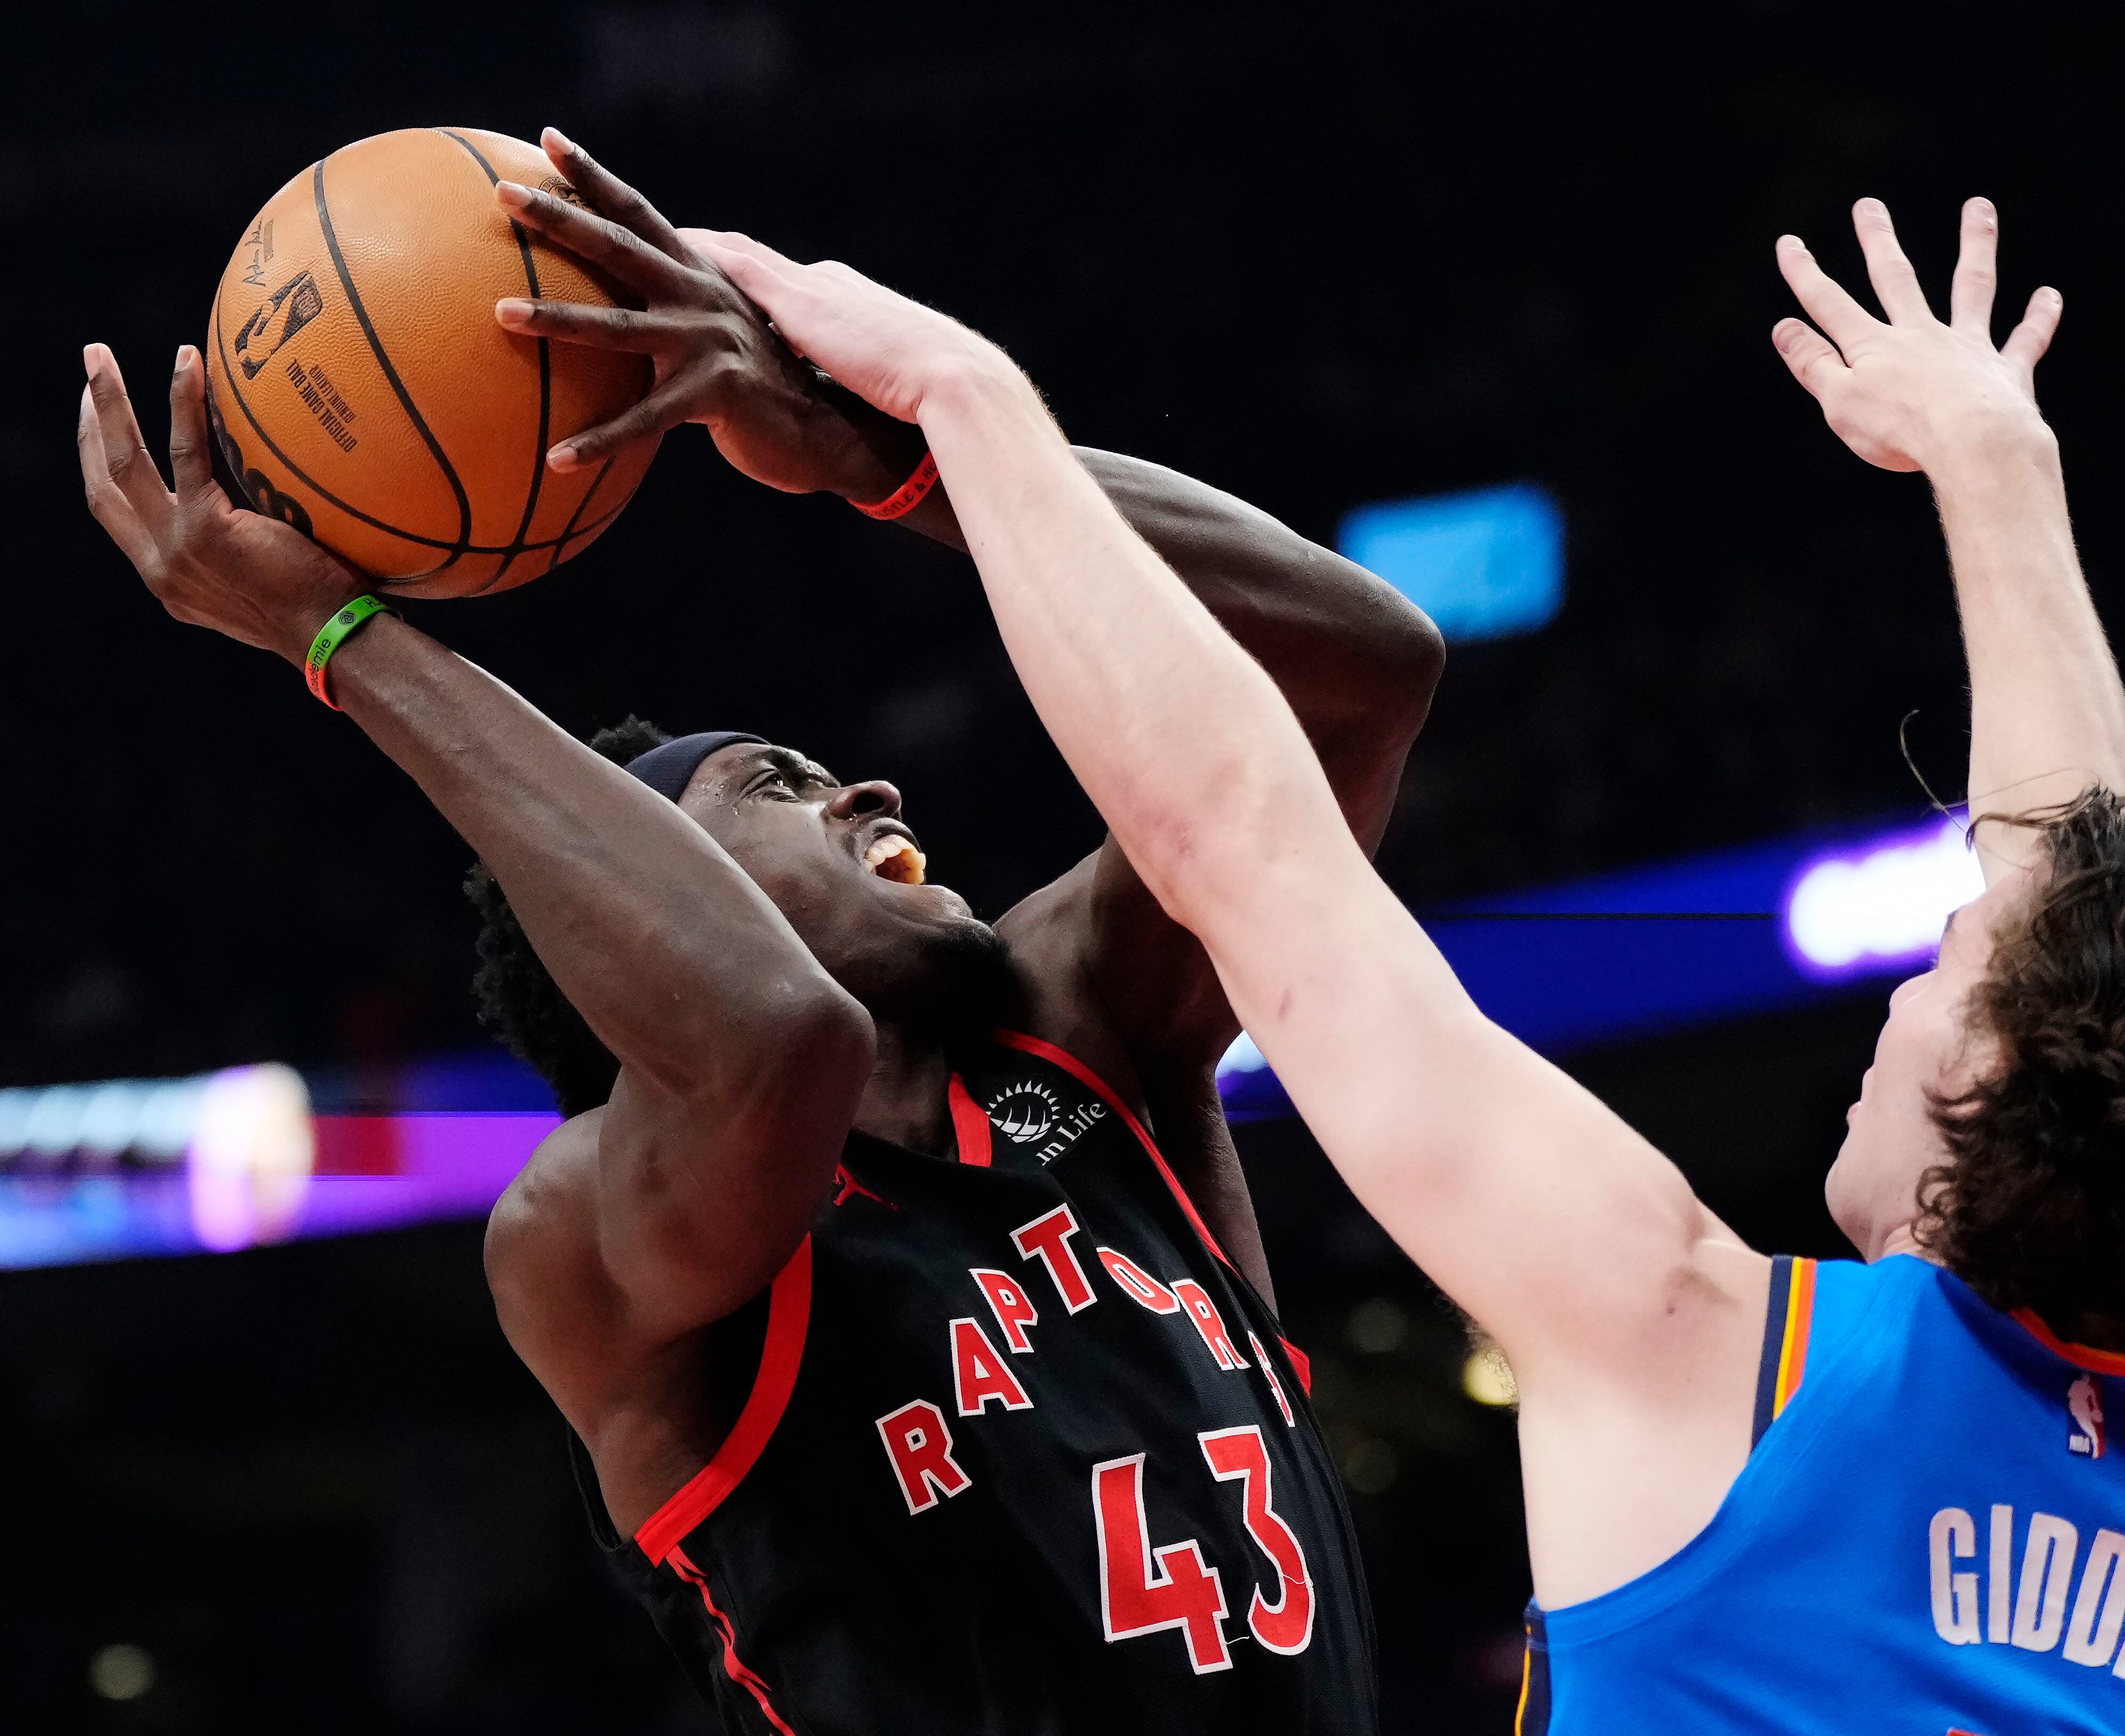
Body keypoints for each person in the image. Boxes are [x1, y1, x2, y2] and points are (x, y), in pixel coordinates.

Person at [703, 195, 2125, 1732]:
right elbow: (2109, 947)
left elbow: (1248, 846)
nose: (1899, 993)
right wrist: (1997, 472)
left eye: (1946, 966)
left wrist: (960, 404)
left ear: (2001, 1091)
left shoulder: (1712, 1352)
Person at [76, 130, 1443, 1735]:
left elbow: (1365, 672)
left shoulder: (1083, 1035)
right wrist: (341, 635)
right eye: (776, 783)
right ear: (659, 885)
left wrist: (888, 458)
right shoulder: (593, 1232)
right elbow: (775, 1037)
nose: (865, 781)